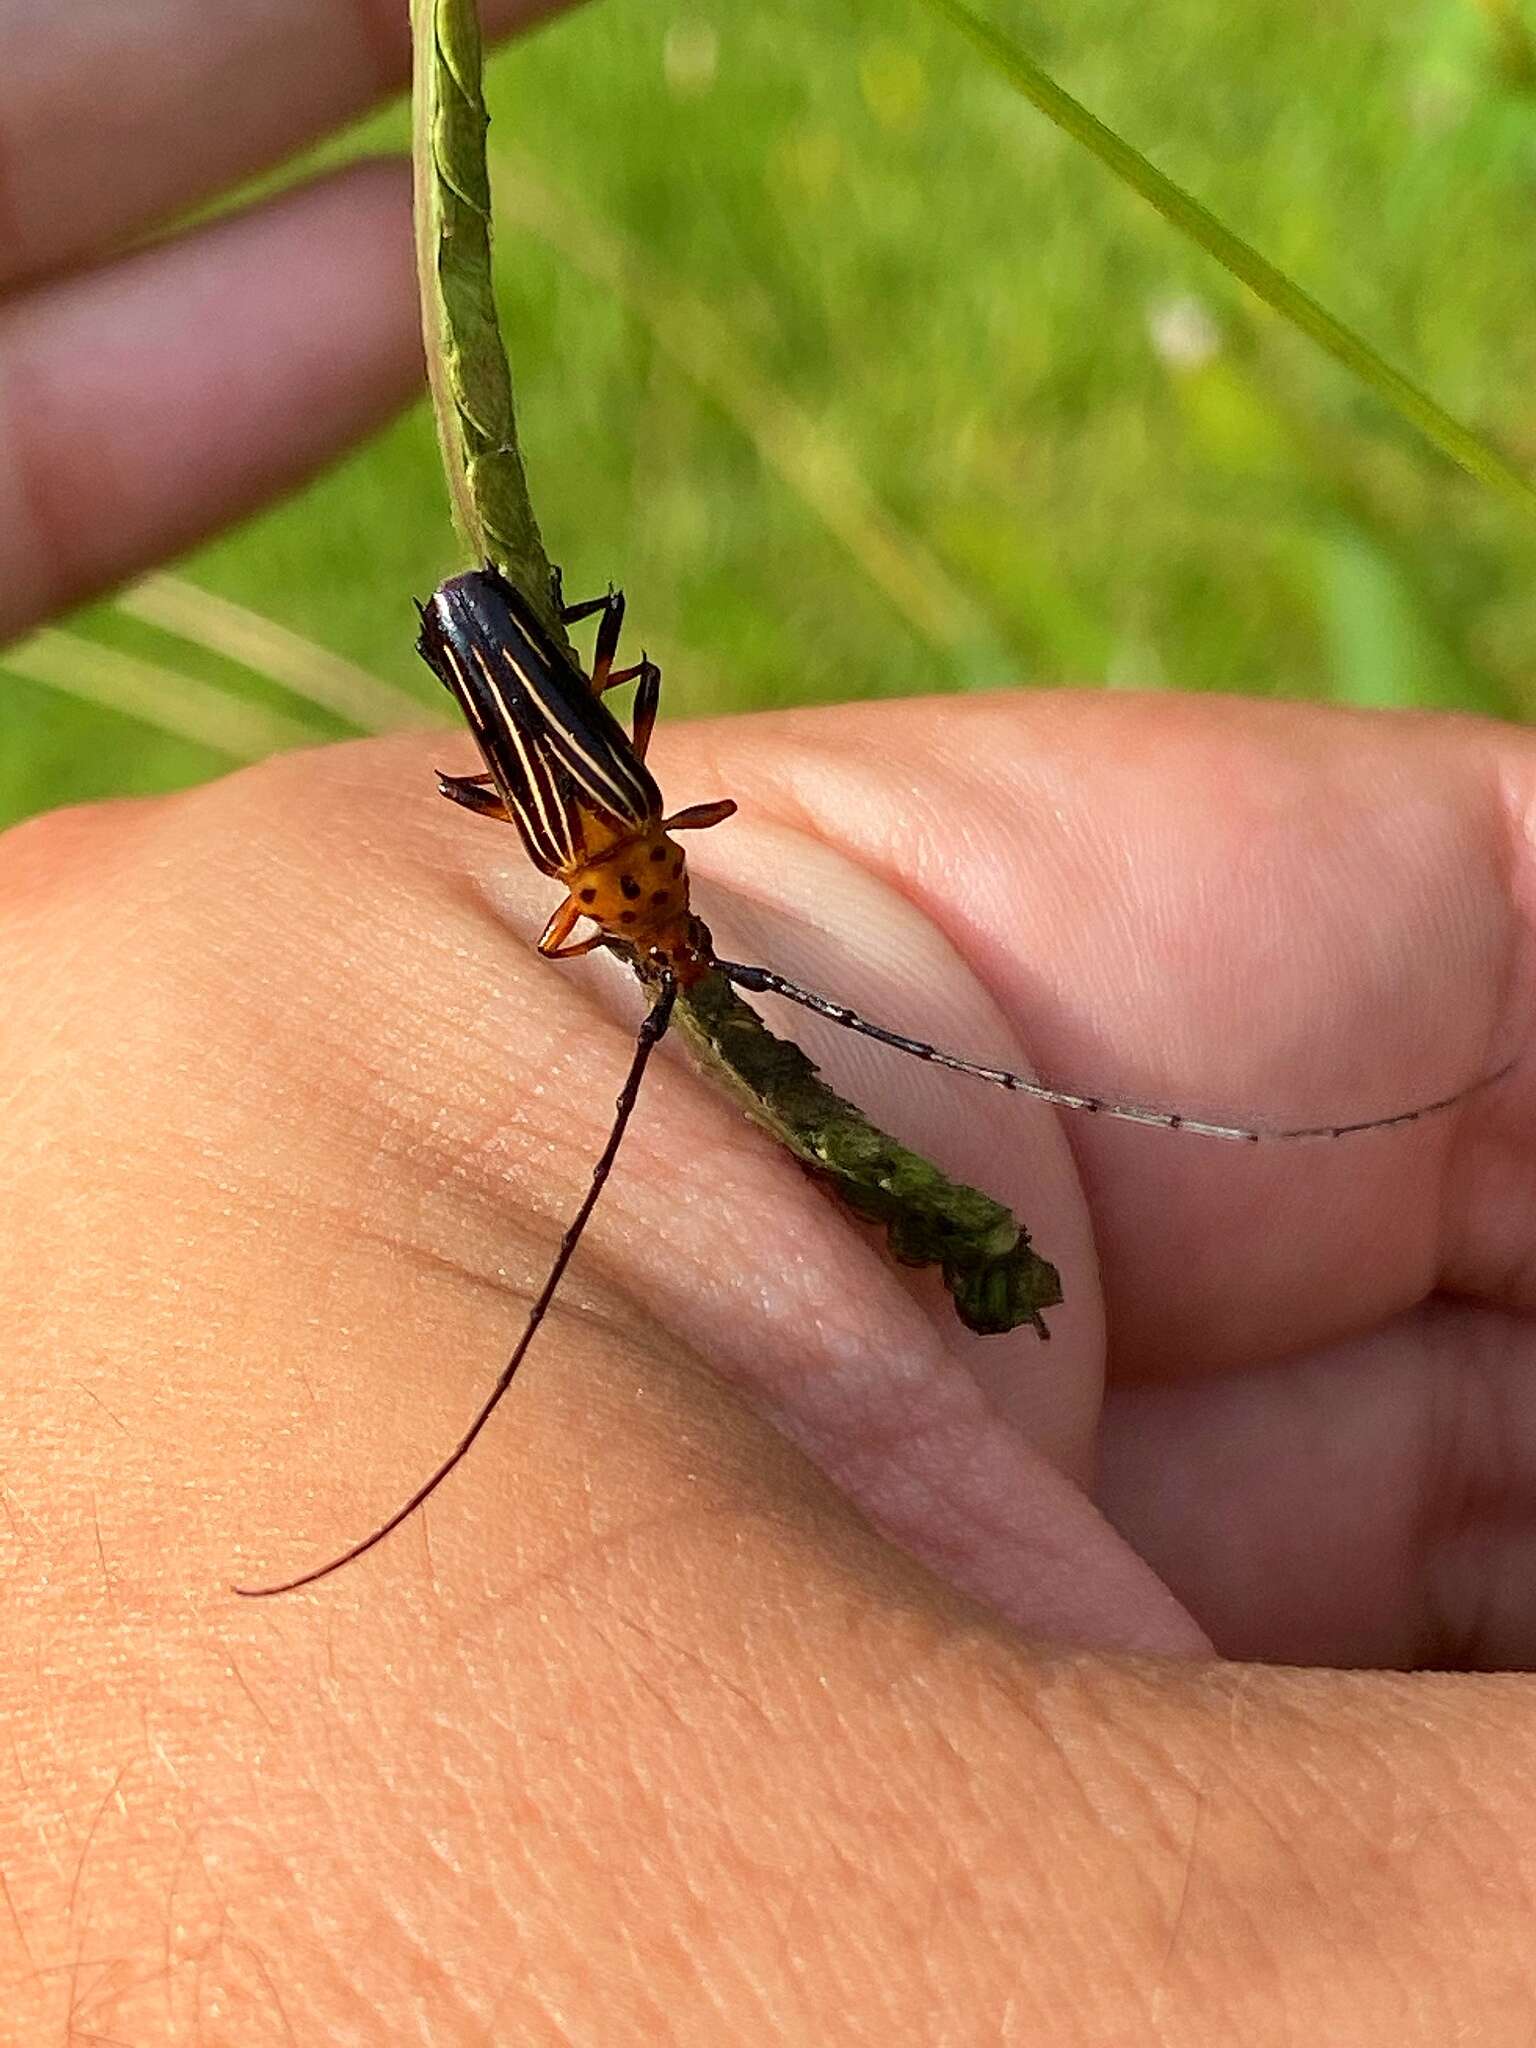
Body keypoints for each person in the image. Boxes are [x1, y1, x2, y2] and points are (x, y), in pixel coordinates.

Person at [3, 5, 1534, 2039]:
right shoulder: (623, 838)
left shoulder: (606, 849)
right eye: (647, 930)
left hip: (503, 677)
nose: (646, 926)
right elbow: (606, 858)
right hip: (506, 667)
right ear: (638, 894)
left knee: (567, 706)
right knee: (574, 699)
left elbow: (598, 863)